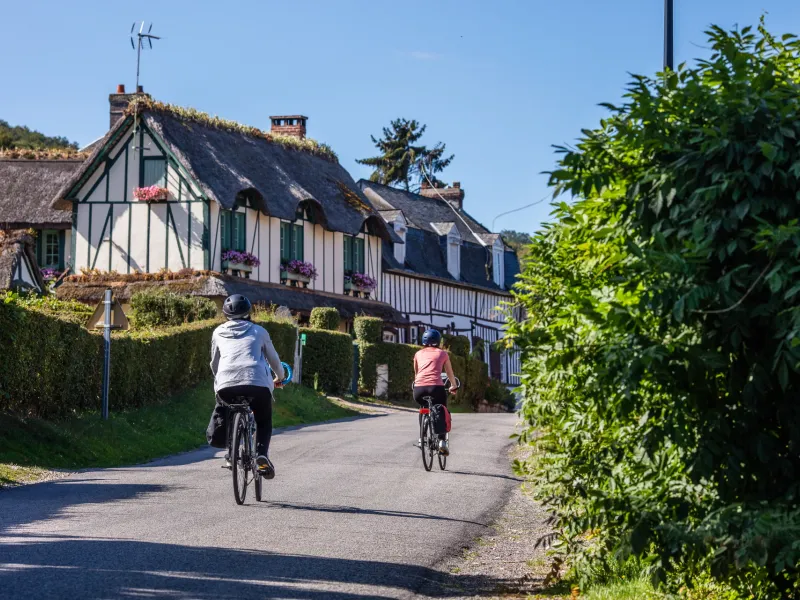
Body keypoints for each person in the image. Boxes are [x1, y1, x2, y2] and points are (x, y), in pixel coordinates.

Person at [210, 294, 285, 479]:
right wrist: (280, 377)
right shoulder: (260, 331)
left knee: (227, 411)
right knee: (263, 420)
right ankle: (261, 454)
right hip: (257, 383)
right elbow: (274, 360)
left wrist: (221, 380)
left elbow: (214, 363)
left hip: (226, 384)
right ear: (248, 311)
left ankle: (230, 454)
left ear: (225, 313)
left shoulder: (218, 332)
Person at [413, 329, 457, 456]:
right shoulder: (443, 354)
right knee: (441, 408)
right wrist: (453, 386)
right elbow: (449, 372)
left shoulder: (417, 354)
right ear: (438, 341)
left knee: (423, 407)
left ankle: (422, 438)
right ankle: (442, 441)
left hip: (419, 389)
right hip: (436, 388)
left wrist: (417, 385)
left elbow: (417, 373)